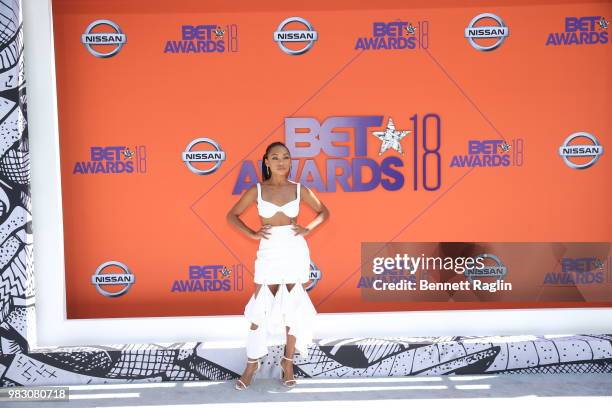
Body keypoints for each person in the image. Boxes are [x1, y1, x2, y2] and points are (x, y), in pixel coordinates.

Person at [226, 141, 329, 390]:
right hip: (269, 251)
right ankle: (252, 363)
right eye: (275, 157)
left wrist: (307, 228)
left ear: (290, 161)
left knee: (292, 307)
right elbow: (231, 215)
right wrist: (251, 234)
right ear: (266, 161)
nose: (281, 161)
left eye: (285, 156)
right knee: (260, 307)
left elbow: (323, 212)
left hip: (294, 249)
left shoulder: (299, 189)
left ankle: (288, 362)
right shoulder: (258, 190)